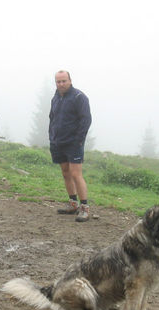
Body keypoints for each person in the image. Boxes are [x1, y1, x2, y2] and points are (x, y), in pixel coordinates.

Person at [49, 70, 92, 222]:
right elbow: (52, 118)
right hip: (58, 142)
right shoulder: (55, 98)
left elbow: (86, 120)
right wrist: (52, 136)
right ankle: (73, 204)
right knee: (66, 173)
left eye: (63, 81)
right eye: (58, 81)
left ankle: (85, 208)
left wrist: (79, 140)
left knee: (75, 174)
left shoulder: (79, 97)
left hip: (74, 143)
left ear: (70, 80)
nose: (61, 84)